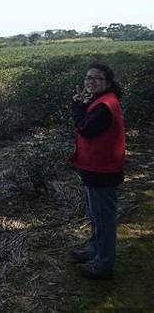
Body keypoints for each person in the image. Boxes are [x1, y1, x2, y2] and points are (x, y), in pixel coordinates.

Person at [69, 63, 125, 280]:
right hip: (94, 168)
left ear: (107, 82)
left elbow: (85, 128)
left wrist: (77, 107)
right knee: (95, 216)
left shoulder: (105, 106)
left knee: (103, 220)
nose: (90, 82)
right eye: (87, 78)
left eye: (97, 78)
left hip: (102, 171)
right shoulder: (100, 101)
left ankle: (103, 264)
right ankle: (94, 250)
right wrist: (82, 104)